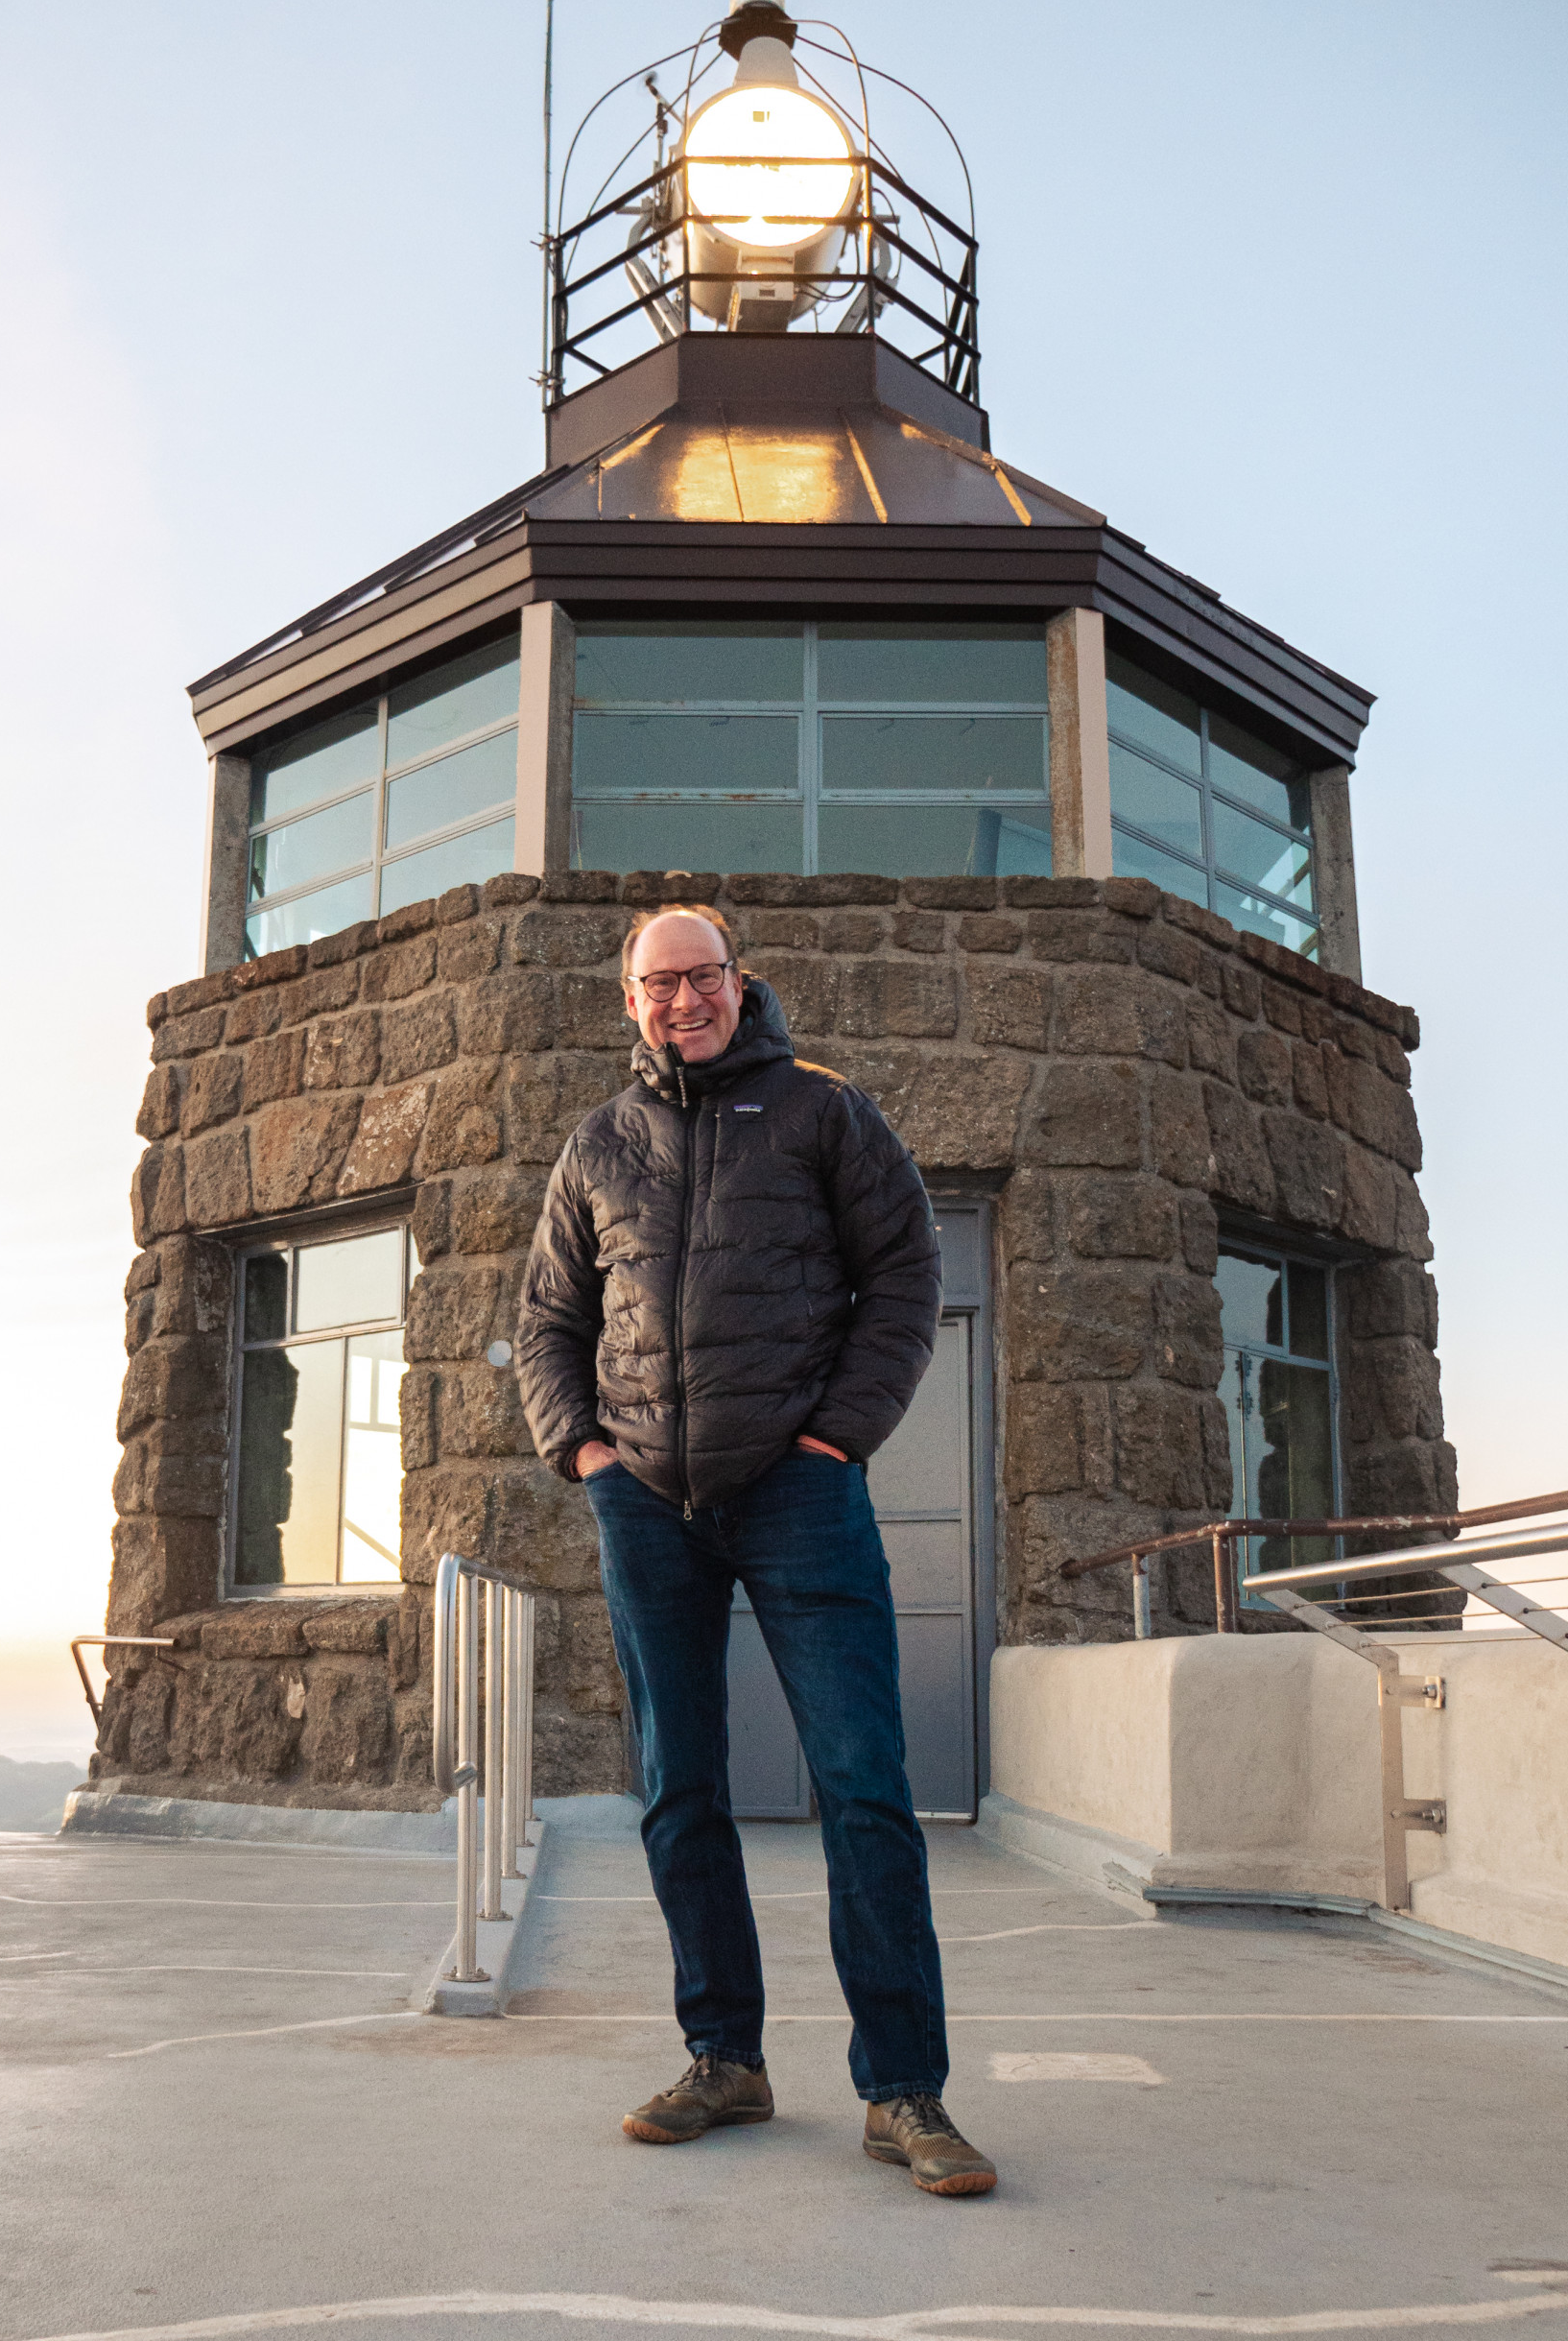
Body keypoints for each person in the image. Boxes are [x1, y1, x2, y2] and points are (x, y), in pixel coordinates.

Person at [514, 903, 997, 2198]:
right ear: (629, 1001)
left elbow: (903, 1273)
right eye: (660, 981)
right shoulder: (598, 1144)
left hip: (799, 1494)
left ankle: (904, 2090)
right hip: (646, 1507)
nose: (686, 998)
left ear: (742, 983)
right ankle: (723, 2057)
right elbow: (549, 1317)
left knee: (863, 1783)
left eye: (705, 975)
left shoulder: (822, 1112)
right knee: (679, 1789)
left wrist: (838, 1438)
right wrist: (584, 1456)